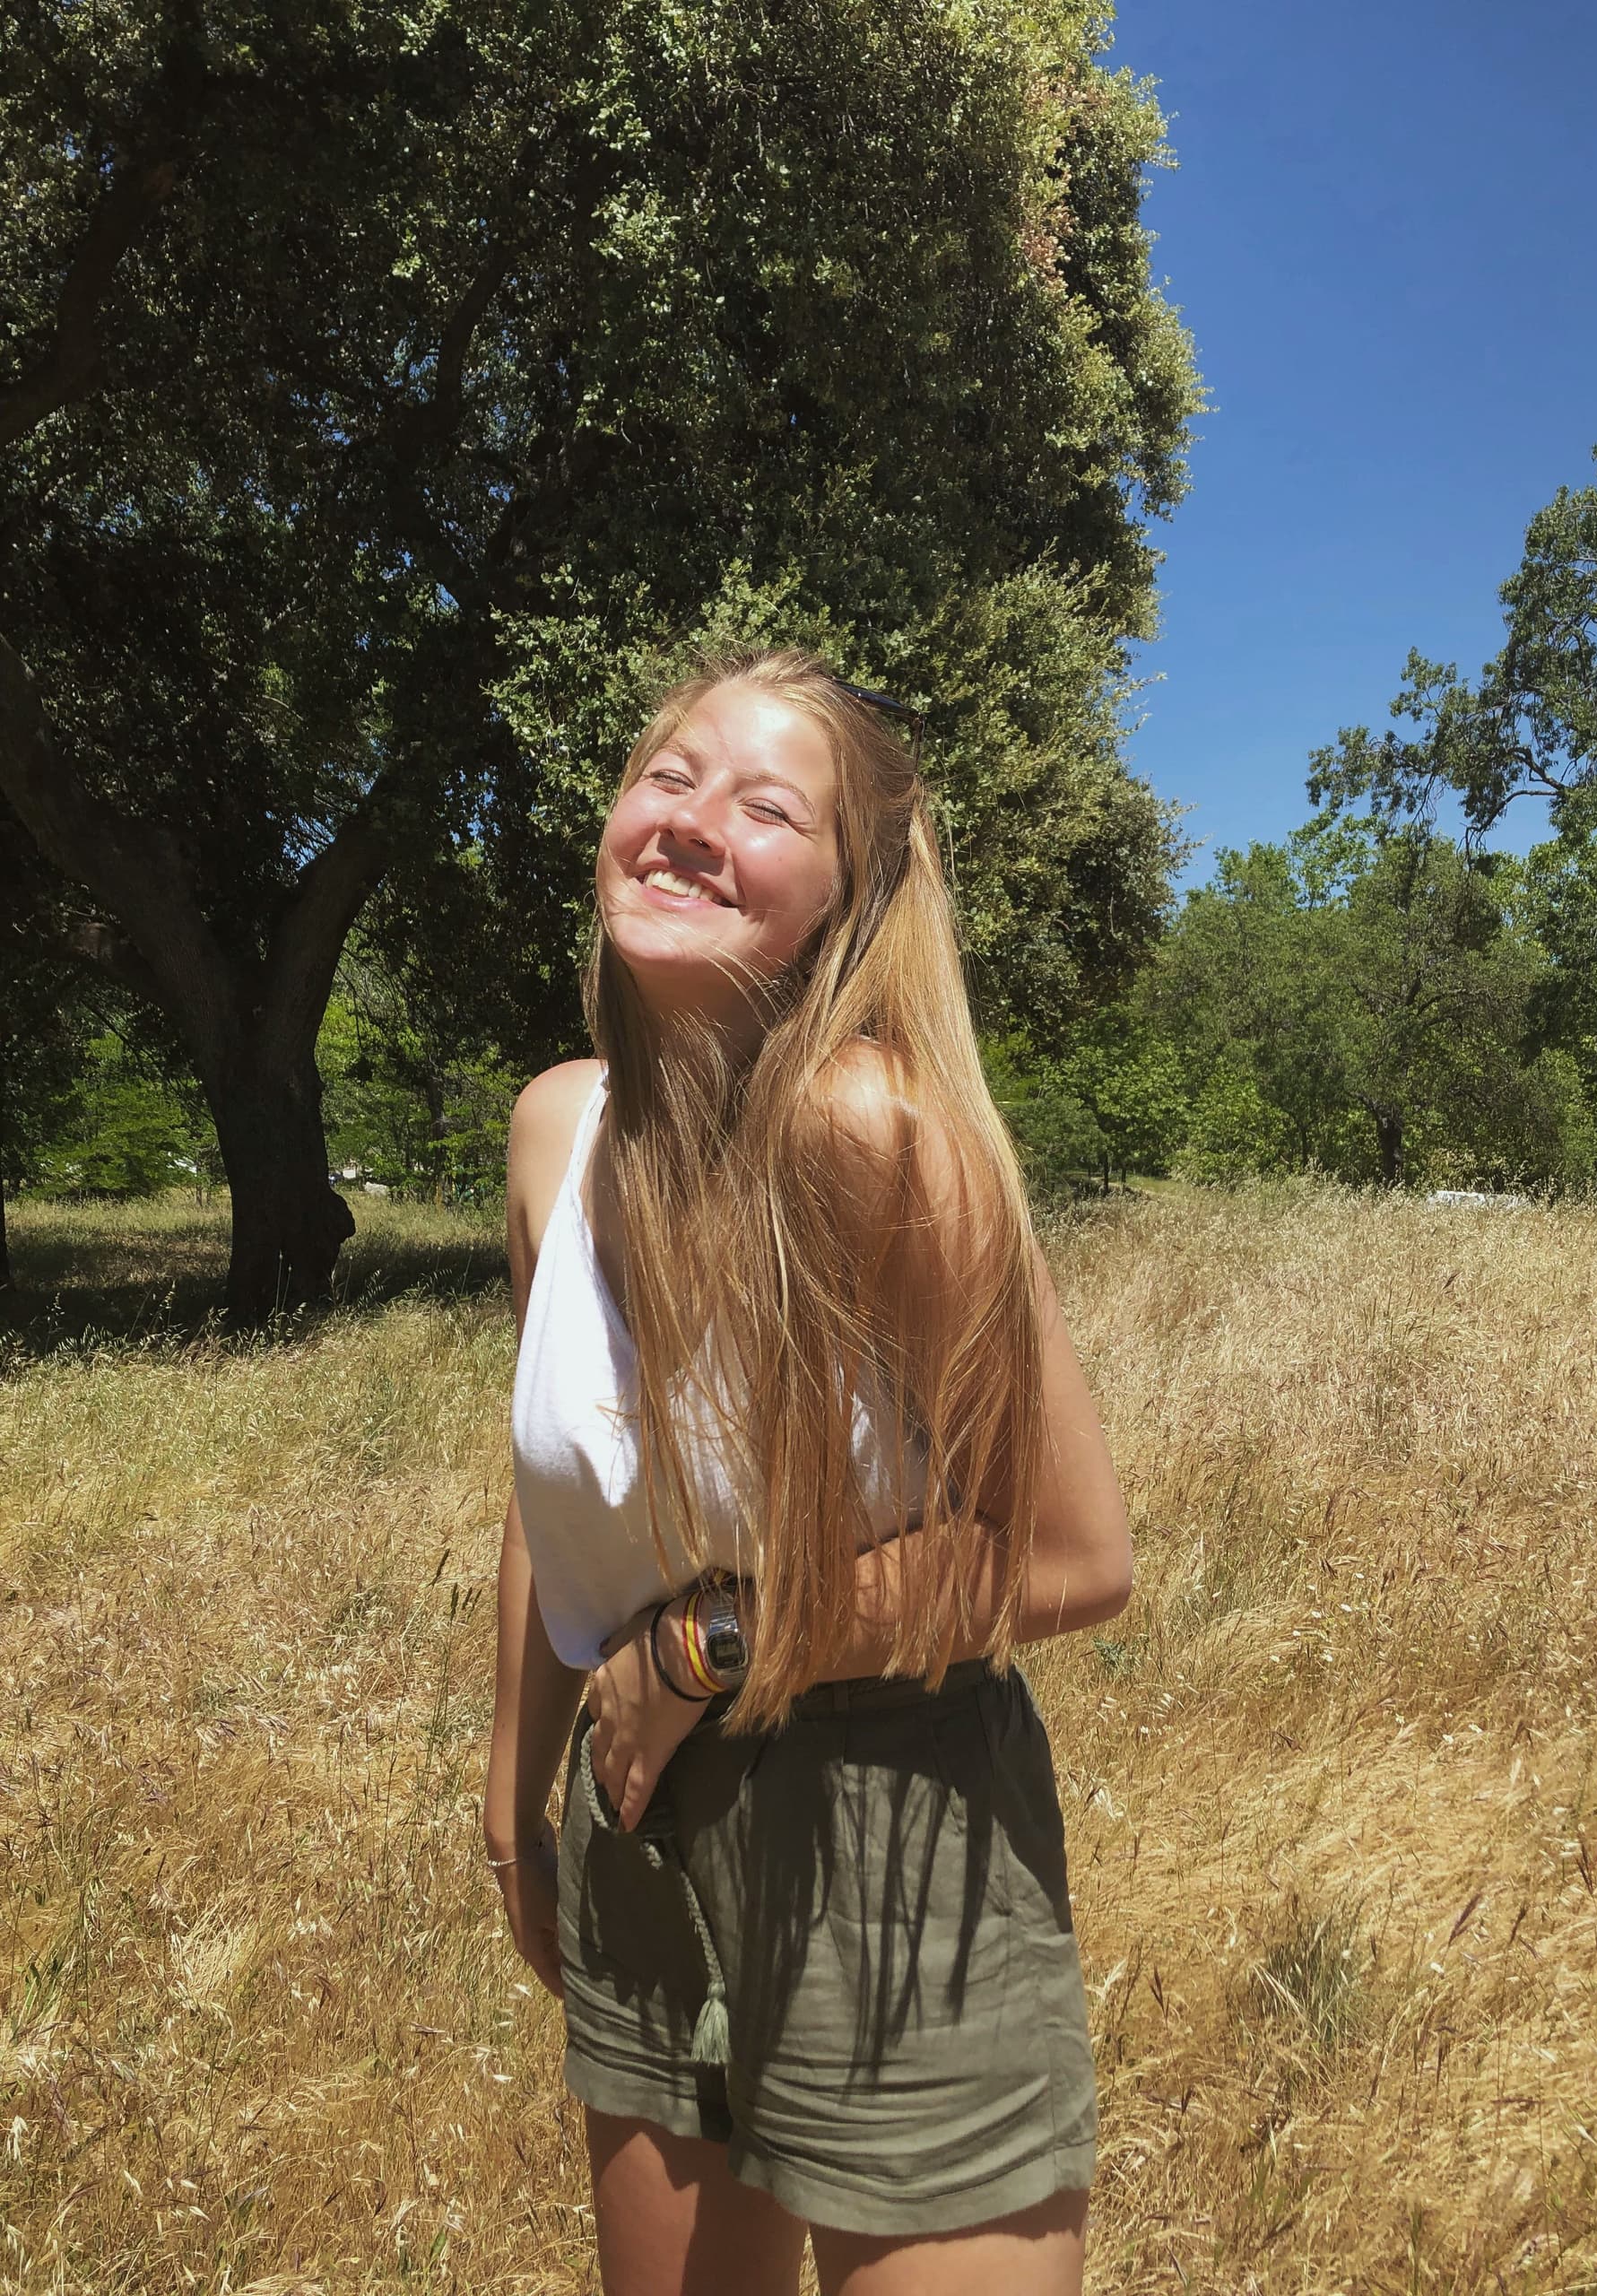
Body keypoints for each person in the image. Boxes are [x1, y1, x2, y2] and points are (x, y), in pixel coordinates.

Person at [483, 648, 1133, 2295]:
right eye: (670, 776)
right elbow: (565, 1487)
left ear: (846, 898)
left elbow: (1064, 1554)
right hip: (638, 1817)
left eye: (766, 808)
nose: (694, 822)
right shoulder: (558, 1130)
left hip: (892, 1805)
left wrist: (700, 1646)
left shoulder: (875, 1134)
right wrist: (512, 1799)